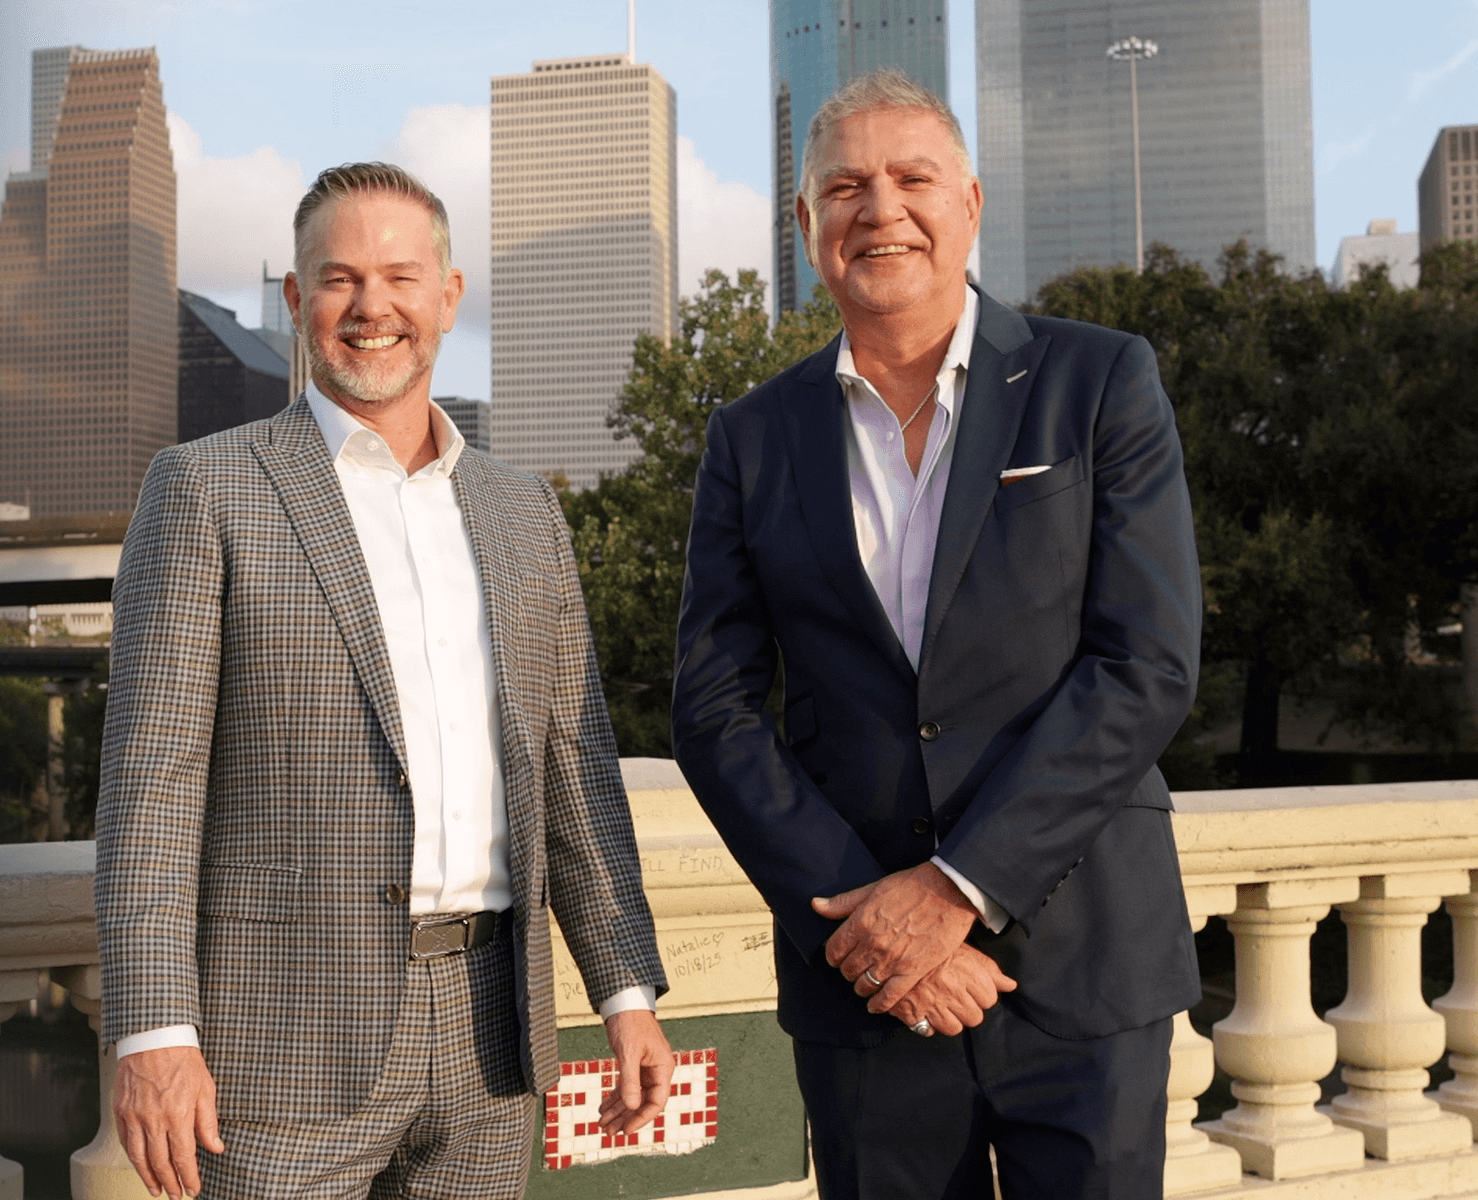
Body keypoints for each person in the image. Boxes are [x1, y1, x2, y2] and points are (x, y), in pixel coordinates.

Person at [671, 68, 1201, 1198]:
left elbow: (1145, 665)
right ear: (805, 224)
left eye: (913, 179)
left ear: (970, 201)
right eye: (846, 187)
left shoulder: (1098, 381)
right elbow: (714, 712)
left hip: (1083, 965)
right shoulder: (750, 439)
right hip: (862, 990)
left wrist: (955, 891)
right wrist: (872, 933)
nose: (882, 210)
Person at [97, 161, 673, 1200]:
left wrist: (623, 984)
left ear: (448, 298)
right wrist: (152, 1027)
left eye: (402, 278)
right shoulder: (205, 489)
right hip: (276, 1050)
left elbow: (573, 765)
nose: (373, 309)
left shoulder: (523, 509)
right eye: (339, 278)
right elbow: (152, 785)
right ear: (295, 300)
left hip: (495, 1040)